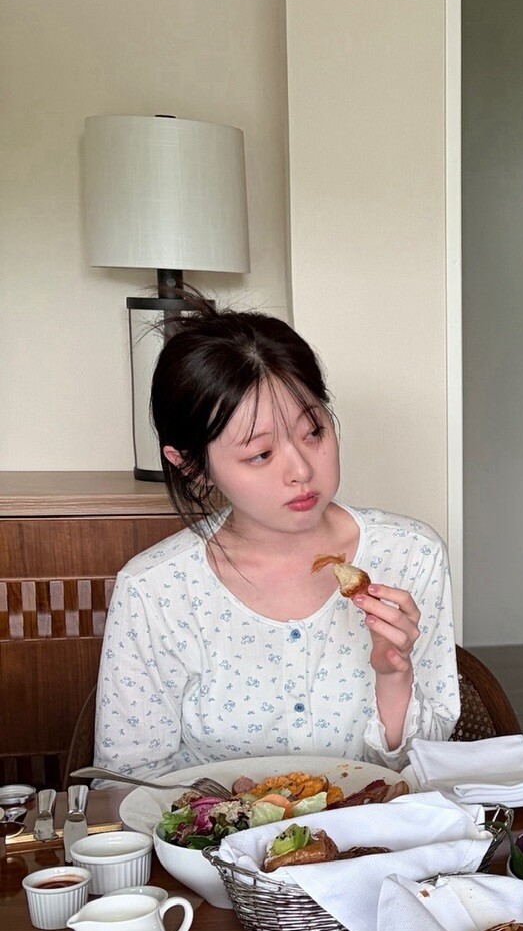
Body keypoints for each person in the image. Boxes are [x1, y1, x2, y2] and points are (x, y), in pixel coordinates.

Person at [95, 298, 459, 774]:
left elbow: (428, 769)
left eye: (313, 432)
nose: (301, 470)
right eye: (260, 455)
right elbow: (127, 779)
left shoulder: (411, 555)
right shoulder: (155, 590)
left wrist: (394, 676)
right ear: (190, 465)